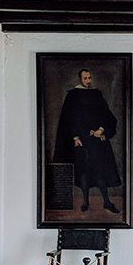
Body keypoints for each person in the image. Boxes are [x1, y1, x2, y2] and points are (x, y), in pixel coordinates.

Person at [52, 68, 121, 213]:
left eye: (89, 78)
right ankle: (85, 202)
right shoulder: (73, 95)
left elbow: (106, 115)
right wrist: (75, 137)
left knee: (100, 171)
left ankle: (107, 202)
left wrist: (101, 130)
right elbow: (69, 118)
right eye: (85, 78)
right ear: (80, 79)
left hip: (96, 139)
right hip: (81, 140)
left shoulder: (97, 94)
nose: (88, 81)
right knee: (83, 171)